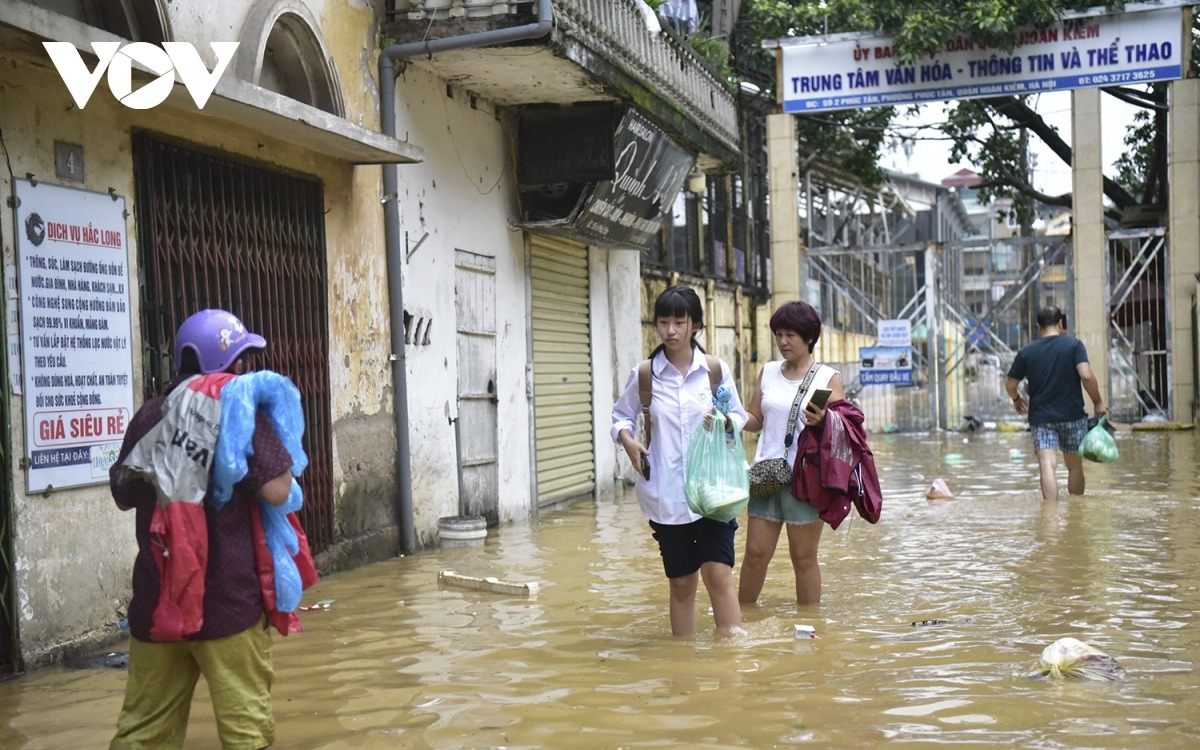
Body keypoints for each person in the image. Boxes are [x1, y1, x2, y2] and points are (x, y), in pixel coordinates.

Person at [109, 309, 302, 750]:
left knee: (142, 733)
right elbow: (278, 491)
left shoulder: (150, 415)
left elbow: (123, 495)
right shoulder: (240, 408)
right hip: (229, 608)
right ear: (231, 364)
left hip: (158, 606)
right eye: (241, 360)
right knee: (245, 733)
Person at [611, 285, 748, 637]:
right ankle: (684, 662)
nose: (670, 330)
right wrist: (627, 440)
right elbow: (621, 416)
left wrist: (725, 422)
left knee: (718, 574)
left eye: (679, 322)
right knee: (682, 583)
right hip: (666, 496)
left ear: (695, 325)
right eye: (663, 322)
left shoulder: (714, 370)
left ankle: (733, 658)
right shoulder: (645, 374)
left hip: (714, 492)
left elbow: (739, 416)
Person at [738, 301, 844, 606]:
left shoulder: (827, 378)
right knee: (755, 554)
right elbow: (755, 419)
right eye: (778, 334)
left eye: (790, 335)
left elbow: (845, 430)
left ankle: (810, 623)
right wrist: (729, 417)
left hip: (806, 479)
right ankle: (740, 617)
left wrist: (824, 420)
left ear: (809, 337)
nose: (783, 341)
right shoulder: (769, 372)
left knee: (803, 557)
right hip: (765, 474)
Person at [1006, 306, 1108, 502]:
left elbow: (1010, 385)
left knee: (1047, 465)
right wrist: (1098, 402)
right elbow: (1086, 375)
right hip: (1072, 416)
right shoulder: (1074, 346)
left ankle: (1050, 513)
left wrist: (1017, 399)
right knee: (1074, 467)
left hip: (1041, 418)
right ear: (1061, 323)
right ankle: (1076, 511)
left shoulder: (1027, 352)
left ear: (1039, 327)